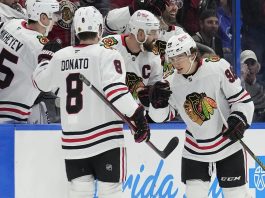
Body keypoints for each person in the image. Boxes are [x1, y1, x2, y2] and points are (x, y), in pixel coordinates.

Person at [32, 6, 150, 198]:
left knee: (79, 193)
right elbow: (116, 92)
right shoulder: (107, 54)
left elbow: (40, 83)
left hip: (72, 143)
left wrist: (45, 60)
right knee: (111, 193)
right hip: (105, 141)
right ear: (100, 29)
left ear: (76, 30)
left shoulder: (61, 56)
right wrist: (138, 116)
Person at [149, 33, 254, 197]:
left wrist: (239, 118)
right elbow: (160, 117)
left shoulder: (217, 67)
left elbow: (242, 100)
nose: (175, 63)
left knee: (236, 194)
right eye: (172, 58)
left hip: (226, 144)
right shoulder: (170, 82)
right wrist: (157, 104)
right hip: (195, 148)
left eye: (179, 57)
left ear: (192, 53)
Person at [0, 0, 59, 123]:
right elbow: (55, 87)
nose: (55, 21)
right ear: (43, 18)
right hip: (11, 117)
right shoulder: (40, 47)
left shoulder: (11, 23)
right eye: (52, 15)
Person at [101, 9, 163, 110]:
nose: (156, 37)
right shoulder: (108, 45)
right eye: (152, 32)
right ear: (140, 33)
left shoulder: (154, 55)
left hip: (136, 116)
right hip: (108, 113)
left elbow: (155, 86)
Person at [241, 50, 265, 122]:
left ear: (258, 67)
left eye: (252, 63)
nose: (250, 67)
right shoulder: (236, 87)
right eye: (246, 64)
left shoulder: (263, 87)